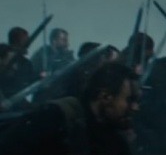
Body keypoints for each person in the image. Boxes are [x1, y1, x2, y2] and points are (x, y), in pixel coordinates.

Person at [0, 62, 140, 154]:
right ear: (105, 97)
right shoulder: (55, 118)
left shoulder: (115, 141)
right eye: (130, 99)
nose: (135, 107)